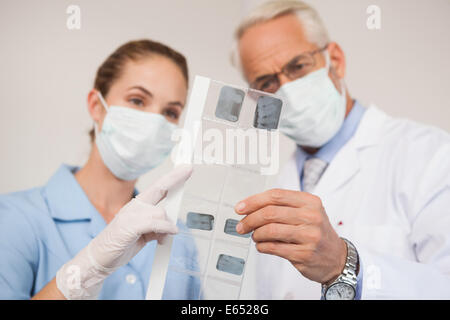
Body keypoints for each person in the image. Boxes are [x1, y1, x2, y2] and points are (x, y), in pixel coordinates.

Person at [232, 1, 450, 299]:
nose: (287, 90)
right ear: (258, 102)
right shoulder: (274, 185)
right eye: (267, 83)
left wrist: (344, 264)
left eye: (298, 66)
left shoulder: (431, 157)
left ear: (335, 59)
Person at [0, 39, 201, 300]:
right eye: (137, 101)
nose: (154, 123)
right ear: (97, 105)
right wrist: (89, 267)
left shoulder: (176, 235)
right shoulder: (15, 219)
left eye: (171, 112)